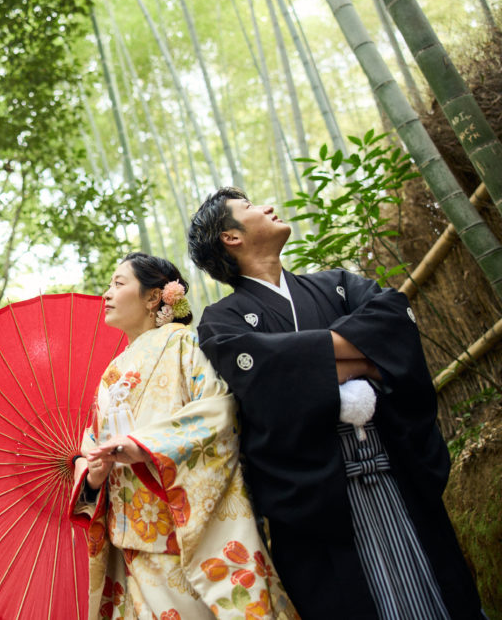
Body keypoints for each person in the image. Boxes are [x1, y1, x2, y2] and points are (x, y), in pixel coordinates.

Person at [187, 187, 484, 620]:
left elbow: (396, 323)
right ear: (230, 237)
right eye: (250, 207)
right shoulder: (221, 321)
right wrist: (365, 356)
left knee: (434, 588)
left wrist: (298, 360)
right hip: (316, 494)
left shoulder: (337, 284)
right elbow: (262, 381)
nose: (268, 206)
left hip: (392, 465)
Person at [68, 252, 297, 620]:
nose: (106, 294)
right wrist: (94, 475)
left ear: (153, 297)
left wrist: (147, 447)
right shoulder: (111, 370)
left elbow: (218, 413)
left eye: (118, 283)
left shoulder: (182, 344)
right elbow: (93, 443)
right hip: (131, 543)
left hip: (180, 531)